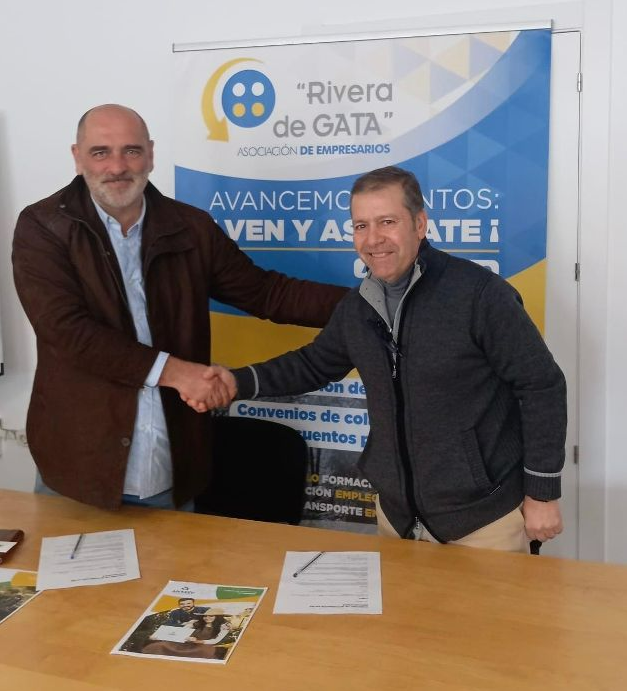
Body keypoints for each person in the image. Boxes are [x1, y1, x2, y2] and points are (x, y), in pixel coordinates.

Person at [190, 166, 567, 553]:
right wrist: (236, 382)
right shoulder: (358, 305)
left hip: (483, 522)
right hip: (396, 519)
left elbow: (542, 385)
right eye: (361, 226)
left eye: (387, 222)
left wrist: (542, 492)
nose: (373, 239)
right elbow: (313, 364)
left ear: (419, 224)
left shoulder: (480, 295)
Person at [12, 103, 347, 511]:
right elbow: (67, 331)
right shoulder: (43, 226)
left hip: (172, 471)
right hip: (78, 472)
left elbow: (266, 293)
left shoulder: (191, 227)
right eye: (101, 152)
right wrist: (177, 373)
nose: (117, 166)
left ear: (151, 154)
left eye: (131, 150)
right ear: (77, 157)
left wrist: (368, 303)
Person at [142, 611, 235, 660]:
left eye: (211, 616)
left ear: (217, 617)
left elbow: (215, 640)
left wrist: (198, 641)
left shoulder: (223, 626)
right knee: (159, 646)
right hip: (186, 643)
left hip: (203, 646)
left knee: (202, 653)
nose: (207, 618)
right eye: (205, 616)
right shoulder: (195, 623)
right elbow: (181, 632)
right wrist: (159, 636)